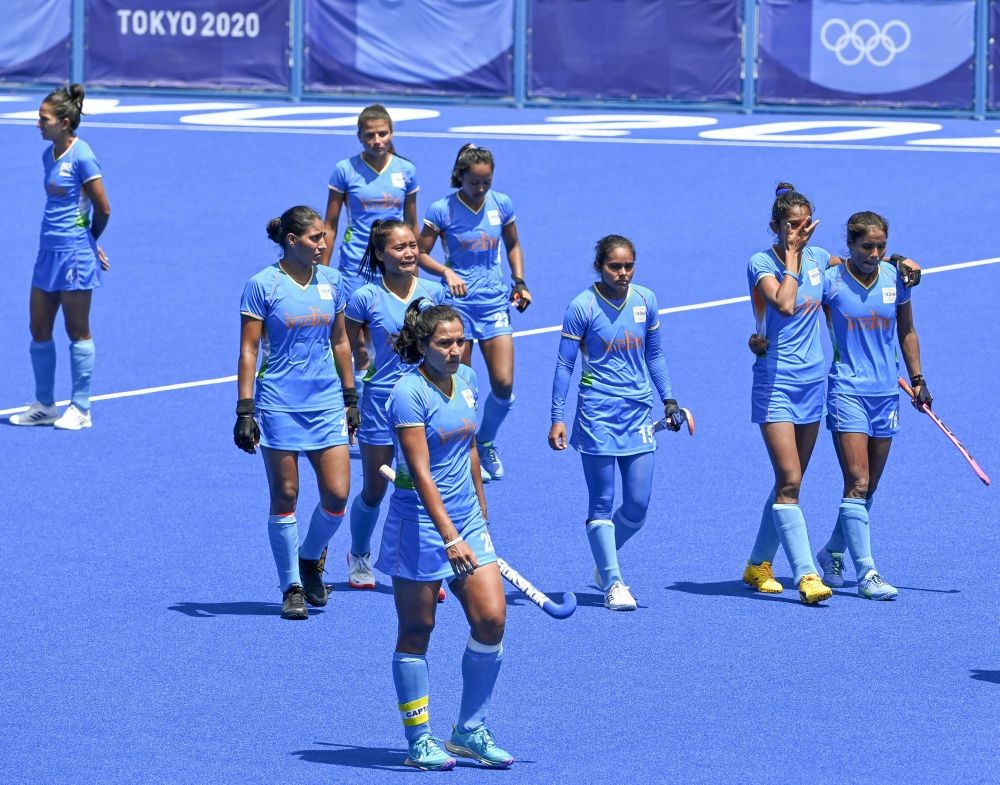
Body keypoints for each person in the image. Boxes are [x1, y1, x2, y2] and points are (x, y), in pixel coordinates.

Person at [376, 300, 514, 770]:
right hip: (419, 526)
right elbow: (422, 472)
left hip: (467, 521)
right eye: (445, 343)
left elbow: (469, 447)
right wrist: (451, 536)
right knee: (418, 630)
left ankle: (469, 730)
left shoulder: (470, 380)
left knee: (491, 620)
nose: (456, 350)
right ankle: (419, 740)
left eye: (460, 341)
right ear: (422, 345)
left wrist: (480, 507)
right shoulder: (407, 393)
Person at [548, 235, 688, 612]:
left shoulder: (646, 300)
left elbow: (654, 355)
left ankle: (604, 562)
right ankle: (613, 581)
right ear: (600, 267)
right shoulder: (582, 306)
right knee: (602, 501)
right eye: (615, 267)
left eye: (628, 266)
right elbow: (565, 366)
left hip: (639, 412)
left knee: (637, 507)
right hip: (597, 414)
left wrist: (669, 399)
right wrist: (557, 418)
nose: (623, 274)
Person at [235, 206, 359, 620]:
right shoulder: (263, 285)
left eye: (324, 237)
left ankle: (309, 558)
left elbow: (341, 341)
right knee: (286, 495)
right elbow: (250, 350)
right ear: (292, 241)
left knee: (337, 497)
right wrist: (245, 409)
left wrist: (350, 397)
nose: (324, 244)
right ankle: (291, 586)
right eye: (315, 238)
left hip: (325, 403)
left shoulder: (333, 281)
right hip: (279, 403)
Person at [813, 211, 930, 600]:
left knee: (870, 486)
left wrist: (918, 381)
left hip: (886, 394)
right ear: (849, 244)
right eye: (867, 246)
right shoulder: (830, 283)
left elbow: (906, 330)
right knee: (858, 481)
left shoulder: (897, 279)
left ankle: (832, 550)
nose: (875, 253)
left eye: (881, 246)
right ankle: (867, 574)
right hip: (846, 389)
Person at [741, 184, 834, 605]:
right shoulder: (762, 263)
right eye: (792, 226)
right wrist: (793, 256)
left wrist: (895, 261)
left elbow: (853, 269)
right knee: (791, 479)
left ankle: (758, 564)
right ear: (774, 226)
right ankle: (806, 576)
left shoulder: (819, 257)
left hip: (813, 384)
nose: (801, 231)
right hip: (776, 383)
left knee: (788, 483)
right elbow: (783, 304)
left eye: (805, 224)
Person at [343, 219, 447, 592]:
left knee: (424, 485)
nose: (409, 253)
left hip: (424, 402)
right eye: (399, 248)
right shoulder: (364, 298)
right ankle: (358, 553)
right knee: (375, 489)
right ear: (379, 254)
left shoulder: (434, 294)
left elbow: (452, 350)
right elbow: (341, 347)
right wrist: (348, 400)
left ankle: (426, 565)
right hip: (379, 404)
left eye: (412, 246)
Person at [418, 144, 530, 482]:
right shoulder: (443, 210)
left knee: (503, 385)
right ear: (460, 177)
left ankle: (485, 440)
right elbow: (420, 253)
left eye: (486, 182)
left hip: (494, 302)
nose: (481, 189)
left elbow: (513, 244)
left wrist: (520, 282)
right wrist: (446, 273)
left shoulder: (502, 204)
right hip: (458, 309)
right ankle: (459, 454)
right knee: (460, 386)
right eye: (474, 183)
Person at [10, 84, 111, 429]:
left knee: (76, 329)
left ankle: (81, 409)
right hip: (47, 253)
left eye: (44, 119)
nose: (39, 124)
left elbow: (103, 208)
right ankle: (45, 405)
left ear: (65, 122)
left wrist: (88, 242)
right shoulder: (46, 156)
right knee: (38, 327)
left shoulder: (83, 155)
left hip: (74, 255)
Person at [322, 104, 419, 387]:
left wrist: (414, 266)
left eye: (382, 134)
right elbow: (330, 224)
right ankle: (358, 388)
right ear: (359, 137)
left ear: (391, 133)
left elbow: (412, 224)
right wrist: (321, 271)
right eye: (370, 135)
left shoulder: (406, 171)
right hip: (355, 262)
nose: (377, 141)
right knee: (354, 332)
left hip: (394, 261)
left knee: (394, 328)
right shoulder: (345, 170)